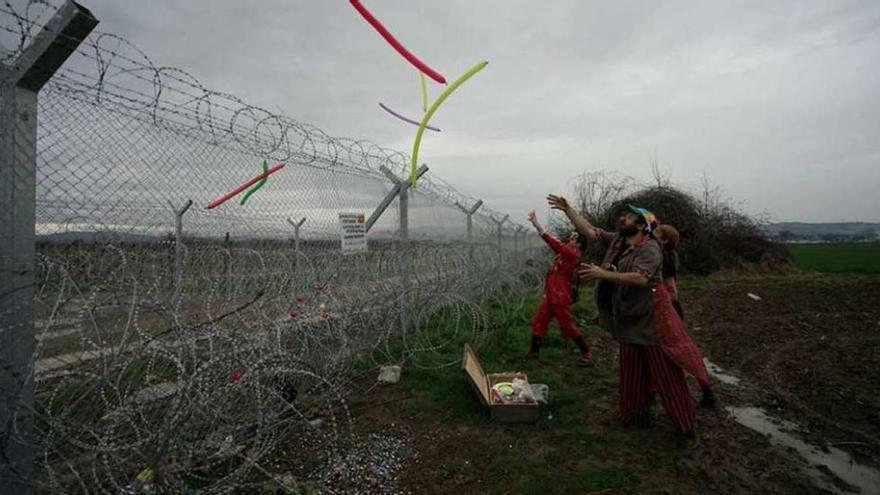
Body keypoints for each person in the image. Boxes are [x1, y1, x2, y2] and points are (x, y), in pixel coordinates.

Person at [547, 194, 696, 437]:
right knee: (631, 373)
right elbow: (590, 231)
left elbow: (640, 278)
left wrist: (602, 274)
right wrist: (568, 210)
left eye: (629, 216)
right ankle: (633, 416)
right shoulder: (619, 241)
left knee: (666, 377)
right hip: (628, 322)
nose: (622, 218)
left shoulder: (650, 249)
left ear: (641, 225)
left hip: (651, 326)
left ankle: (685, 423)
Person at [654, 224, 716, 408]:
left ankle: (700, 392)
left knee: (677, 349)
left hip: (666, 308)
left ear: (664, 240)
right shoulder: (666, 256)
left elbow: (668, 289)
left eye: (658, 232)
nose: (653, 233)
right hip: (668, 307)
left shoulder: (662, 258)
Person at [525, 210, 593, 366]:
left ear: (579, 243)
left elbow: (555, 244)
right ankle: (534, 351)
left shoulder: (574, 254)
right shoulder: (567, 253)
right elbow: (558, 249)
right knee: (539, 321)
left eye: (574, 238)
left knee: (567, 325)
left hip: (560, 296)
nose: (570, 239)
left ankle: (586, 352)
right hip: (552, 294)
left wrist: (537, 226)